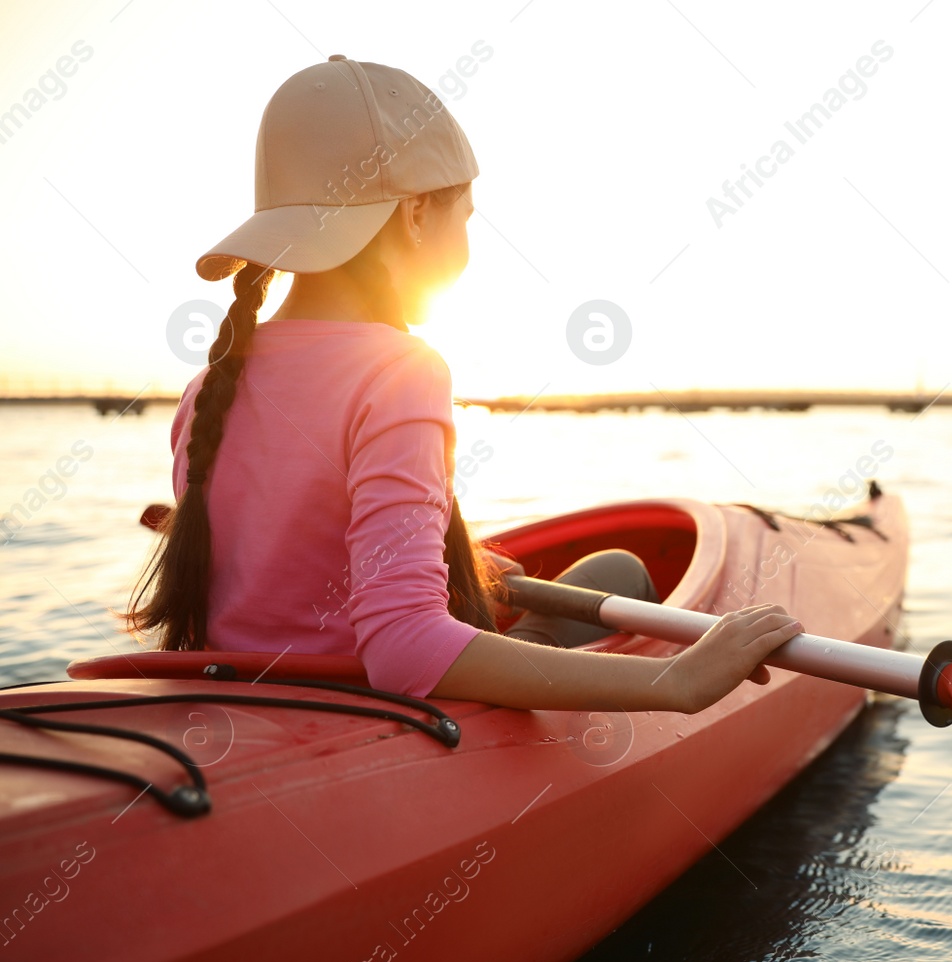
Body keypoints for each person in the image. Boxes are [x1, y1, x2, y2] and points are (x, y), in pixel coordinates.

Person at [123, 56, 801, 712]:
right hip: (363, 704)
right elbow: (404, 649)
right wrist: (674, 681)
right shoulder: (400, 369)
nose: (469, 242)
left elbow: (284, 559)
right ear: (416, 213)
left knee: (609, 571)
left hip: (241, 697)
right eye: (466, 215)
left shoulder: (209, 384)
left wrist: (464, 564)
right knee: (620, 573)